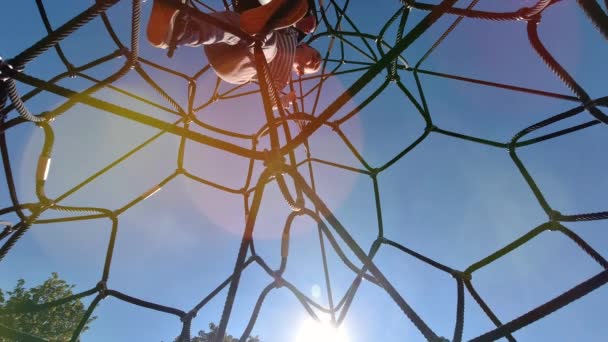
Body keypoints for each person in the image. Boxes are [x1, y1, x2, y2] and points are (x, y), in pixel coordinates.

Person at [146, 0, 322, 108]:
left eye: (314, 67)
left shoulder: (282, 79)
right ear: (306, 46)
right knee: (239, 23)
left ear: (299, 72)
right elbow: (298, 20)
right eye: (317, 56)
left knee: (266, 43)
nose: (316, 62)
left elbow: (272, 103)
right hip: (229, 37)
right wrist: (300, 20)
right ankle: (177, 30)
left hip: (239, 66)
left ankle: (259, 27)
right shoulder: (292, 35)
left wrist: (286, 100)